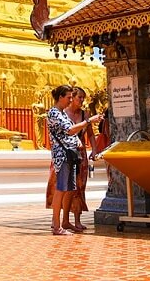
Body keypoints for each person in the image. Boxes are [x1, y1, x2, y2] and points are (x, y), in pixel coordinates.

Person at [47, 84, 102, 236]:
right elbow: (70, 130)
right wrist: (89, 121)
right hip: (63, 156)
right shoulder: (54, 113)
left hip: (72, 155)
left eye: (73, 97)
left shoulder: (62, 114)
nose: (70, 100)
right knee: (61, 190)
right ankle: (57, 225)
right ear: (60, 97)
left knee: (70, 189)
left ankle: (64, 221)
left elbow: (73, 132)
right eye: (69, 97)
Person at [64, 88, 95, 232]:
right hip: (67, 153)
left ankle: (77, 219)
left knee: (79, 187)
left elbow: (90, 134)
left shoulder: (85, 114)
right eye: (79, 97)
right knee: (65, 187)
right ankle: (61, 219)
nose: (82, 100)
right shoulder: (63, 114)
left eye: (83, 98)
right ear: (72, 98)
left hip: (81, 155)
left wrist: (94, 149)